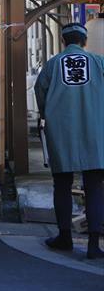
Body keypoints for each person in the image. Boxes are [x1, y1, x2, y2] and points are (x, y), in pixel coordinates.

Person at [34, 22, 104, 259]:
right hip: (95, 131)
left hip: (61, 131)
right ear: (84, 42)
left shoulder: (53, 64)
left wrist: (45, 113)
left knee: (62, 184)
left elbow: (40, 90)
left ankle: (64, 236)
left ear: (63, 42)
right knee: (94, 186)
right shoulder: (98, 62)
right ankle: (93, 244)